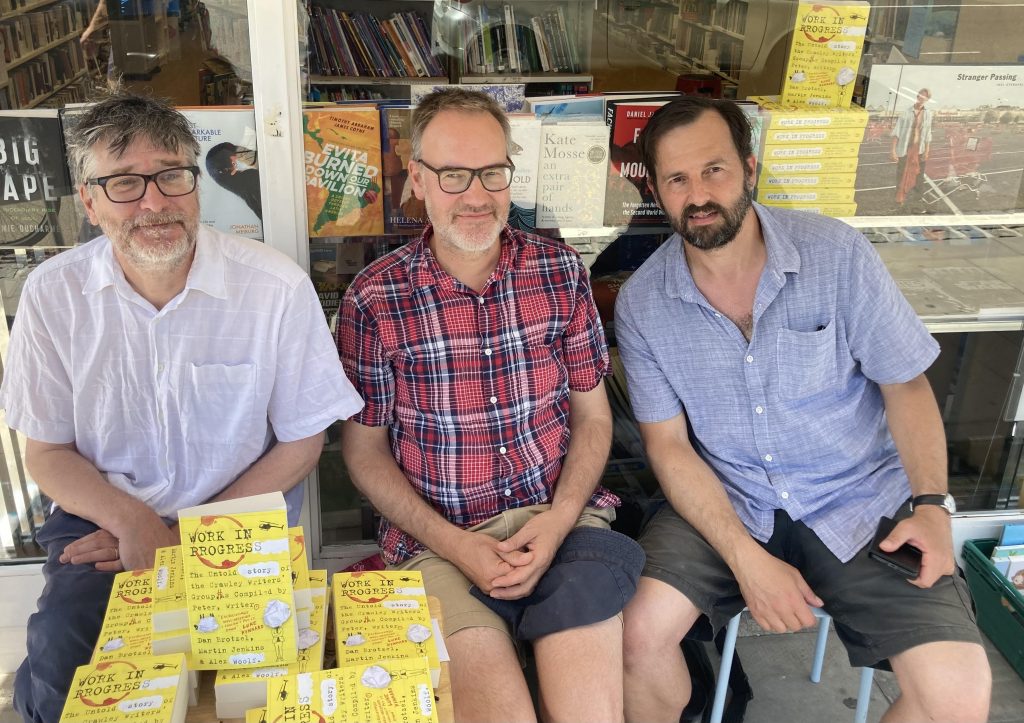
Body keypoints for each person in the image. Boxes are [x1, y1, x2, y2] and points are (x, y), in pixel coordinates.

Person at [614, 96, 991, 723]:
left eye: (715, 169)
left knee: (958, 695)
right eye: (678, 179)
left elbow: (905, 386)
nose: (699, 194)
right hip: (727, 499)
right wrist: (744, 559)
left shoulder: (835, 254)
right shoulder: (645, 301)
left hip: (859, 497)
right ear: (656, 189)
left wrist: (930, 505)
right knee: (633, 639)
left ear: (750, 167)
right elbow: (670, 448)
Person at [1, 91, 364, 723]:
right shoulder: (52, 294)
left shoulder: (273, 286)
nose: (154, 203)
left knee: (252, 691)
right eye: (124, 184)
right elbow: (48, 452)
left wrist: (181, 538)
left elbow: (303, 442)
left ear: (197, 185)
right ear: (88, 201)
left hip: (238, 525)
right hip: (104, 523)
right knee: (65, 662)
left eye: (172, 176)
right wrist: (135, 525)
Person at [338, 88, 642, 723]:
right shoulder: (375, 298)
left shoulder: (560, 271)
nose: (476, 195)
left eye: (492, 172)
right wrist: (456, 544)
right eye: (452, 175)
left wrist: (559, 519)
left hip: (561, 526)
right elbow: (363, 453)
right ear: (417, 180)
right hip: (436, 541)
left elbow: (593, 417)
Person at [890, 88, 934, 208]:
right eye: (921, 95)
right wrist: (893, 151)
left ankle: (917, 201)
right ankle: (899, 200)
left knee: (919, 177)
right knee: (901, 176)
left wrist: (927, 151)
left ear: (928, 99)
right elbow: (897, 132)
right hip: (905, 149)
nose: (922, 98)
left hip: (919, 150)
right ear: (917, 96)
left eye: (925, 97)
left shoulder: (928, 113)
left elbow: (928, 134)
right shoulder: (906, 112)